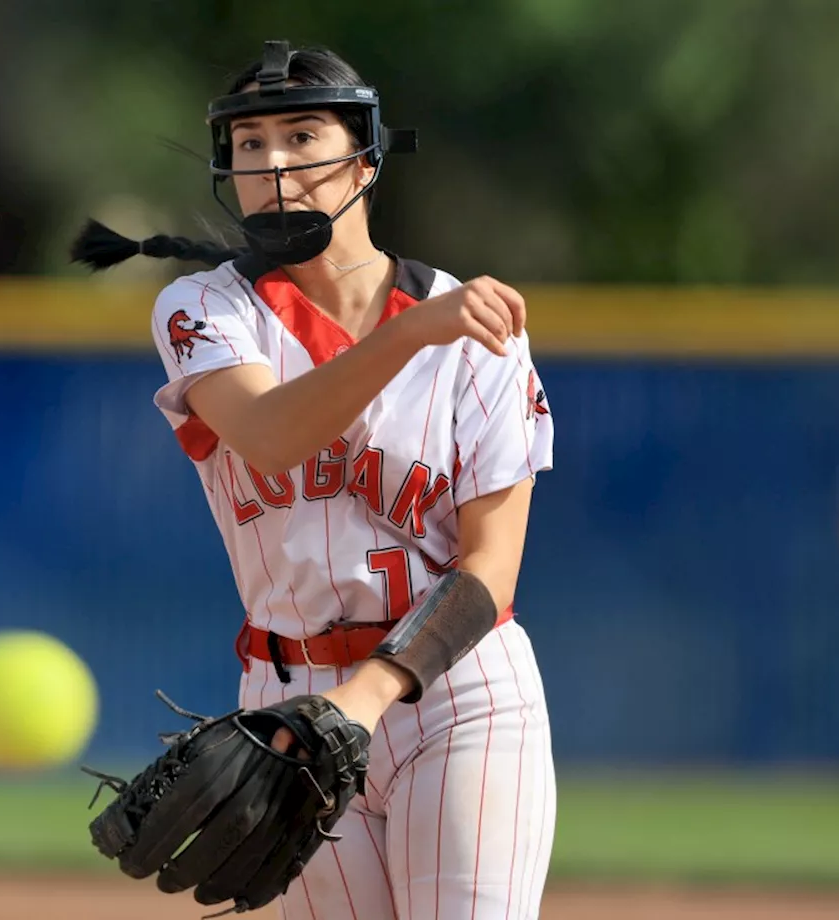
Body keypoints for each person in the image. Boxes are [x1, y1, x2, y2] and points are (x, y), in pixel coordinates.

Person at [73, 41, 556, 919]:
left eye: (302, 136)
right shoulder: (203, 310)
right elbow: (269, 436)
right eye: (249, 144)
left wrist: (366, 697)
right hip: (286, 709)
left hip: (457, 696)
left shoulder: (476, 328)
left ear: (365, 158)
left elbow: (491, 571)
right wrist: (410, 334)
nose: (274, 165)